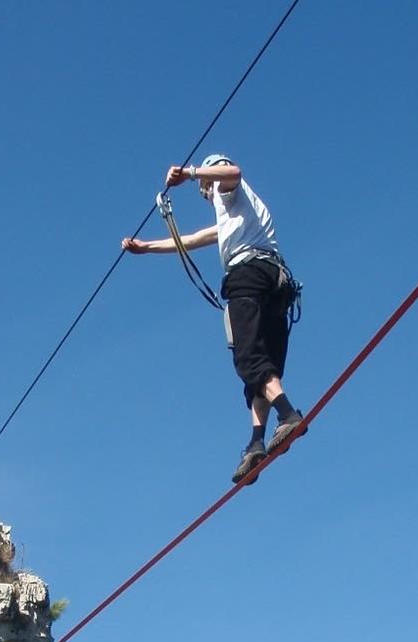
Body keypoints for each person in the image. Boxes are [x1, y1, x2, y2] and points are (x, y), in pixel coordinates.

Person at [122, 154, 303, 484]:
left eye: (206, 187)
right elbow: (190, 241)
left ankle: (288, 413)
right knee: (264, 365)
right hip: (275, 283)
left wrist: (190, 173)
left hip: (248, 276)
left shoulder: (229, 190)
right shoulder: (235, 217)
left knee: (249, 358)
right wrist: (146, 247)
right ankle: (256, 441)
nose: (206, 194)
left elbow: (232, 171)